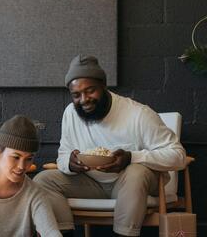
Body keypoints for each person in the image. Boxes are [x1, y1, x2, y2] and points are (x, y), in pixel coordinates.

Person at [33, 55, 186, 237]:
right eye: (76, 95)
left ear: (104, 86)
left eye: (90, 91)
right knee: (43, 180)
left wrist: (132, 157)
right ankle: (63, 233)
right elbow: (63, 154)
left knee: (135, 171)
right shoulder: (71, 114)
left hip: (133, 185)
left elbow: (178, 156)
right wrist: (70, 163)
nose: (84, 99)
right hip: (91, 184)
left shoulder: (138, 114)